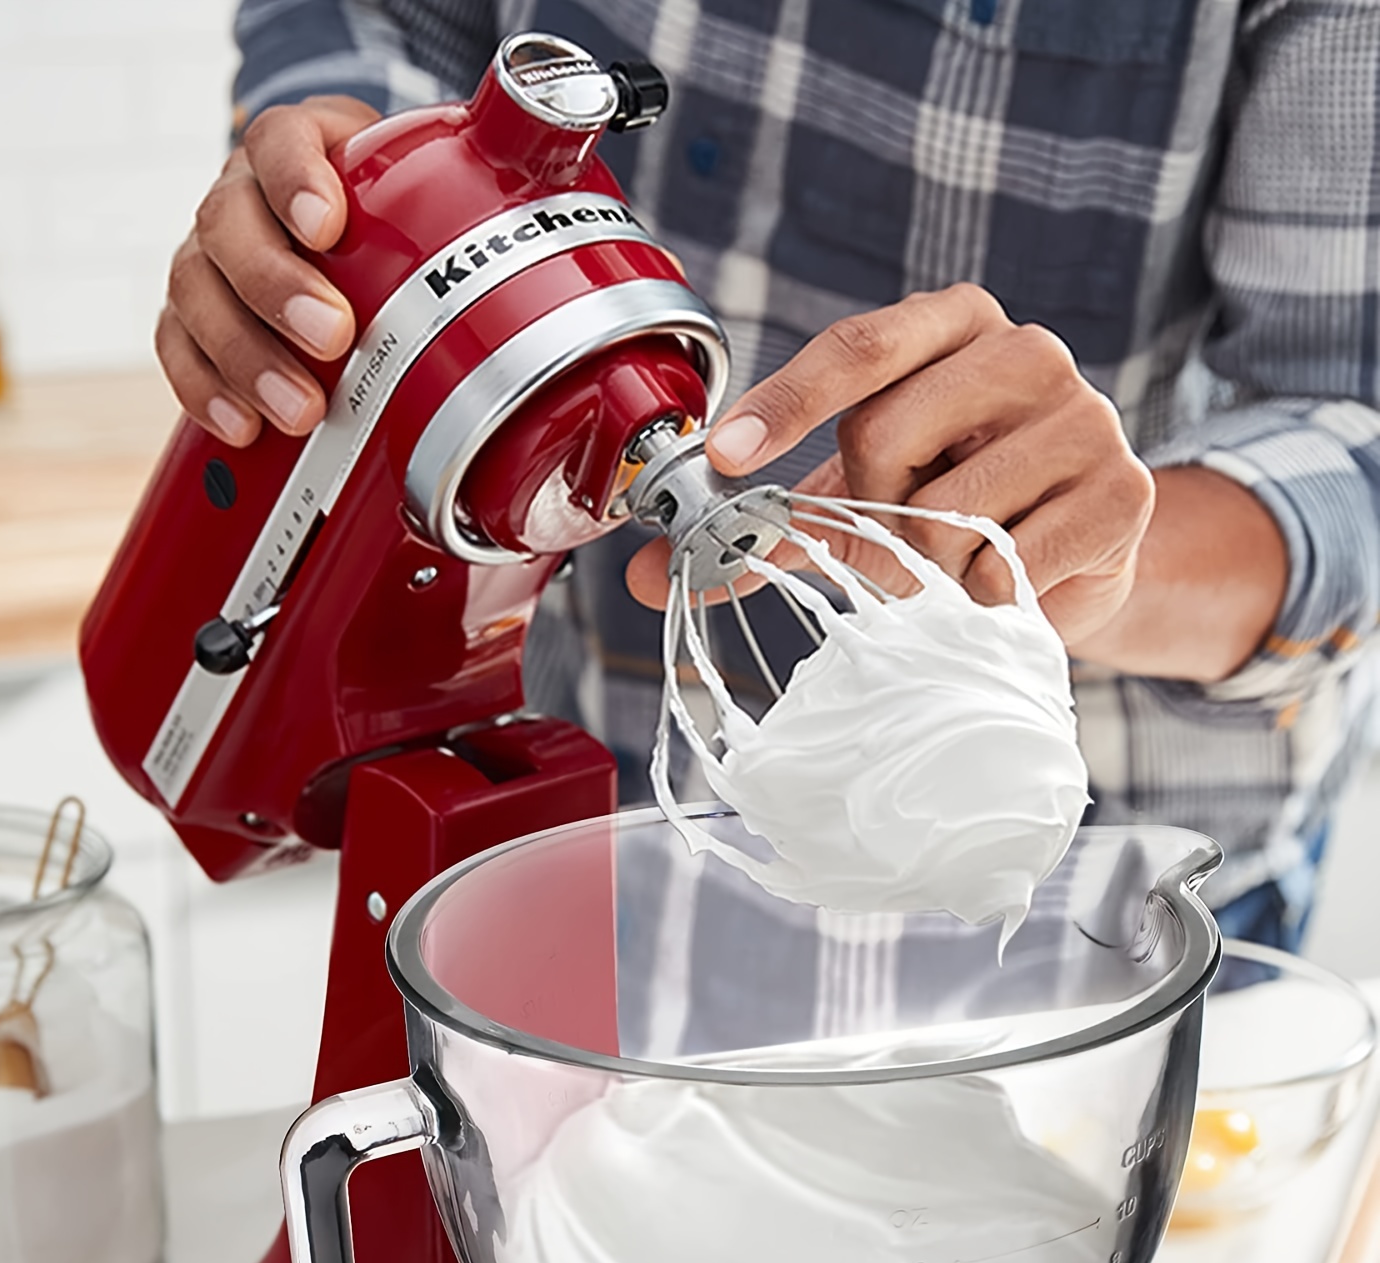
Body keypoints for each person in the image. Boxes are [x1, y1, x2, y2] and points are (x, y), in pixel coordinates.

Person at [156, 0, 1380, 951]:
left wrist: (1100, 554)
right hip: (587, 841)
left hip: (1081, 909)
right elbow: (375, 25)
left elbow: (1353, 424)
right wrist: (351, 212)